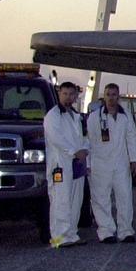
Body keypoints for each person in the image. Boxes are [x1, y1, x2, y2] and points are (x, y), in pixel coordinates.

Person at [87, 83, 136, 244]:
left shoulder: (126, 116)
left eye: (114, 94)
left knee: (124, 197)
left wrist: (134, 160)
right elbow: (88, 141)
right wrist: (88, 164)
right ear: (104, 96)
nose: (111, 98)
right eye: (108, 94)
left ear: (118, 96)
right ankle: (106, 232)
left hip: (121, 164)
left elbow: (131, 138)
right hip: (100, 164)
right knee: (101, 199)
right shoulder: (94, 117)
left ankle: (125, 231)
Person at [43, 81, 89, 248]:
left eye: (71, 94)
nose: (68, 97)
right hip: (60, 165)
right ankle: (58, 237)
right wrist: (73, 151)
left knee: (75, 201)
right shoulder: (53, 116)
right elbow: (57, 139)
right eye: (65, 94)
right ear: (59, 94)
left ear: (76, 96)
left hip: (77, 165)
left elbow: (84, 137)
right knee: (60, 200)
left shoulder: (76, 116)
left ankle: (71, 234)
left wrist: (84, 150)